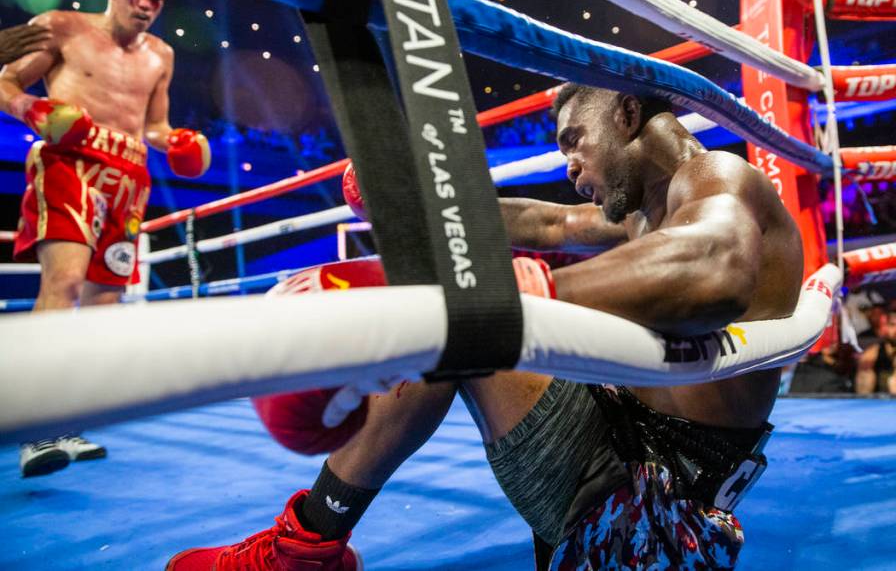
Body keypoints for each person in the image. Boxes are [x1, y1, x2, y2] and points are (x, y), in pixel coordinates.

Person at [168, 84, 804, 570]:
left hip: (649, 508)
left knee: (450, 311)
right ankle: (307, 542)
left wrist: (507, 304)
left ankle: (301, 551)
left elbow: (717, 265)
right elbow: (547, 224)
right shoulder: (648, 212)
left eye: (573, 140)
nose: (569, 167)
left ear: (627, 115)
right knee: (455, 296)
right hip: (626, 459)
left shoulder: (720, 177)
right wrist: (423, 202)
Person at [0, 0, 211, 478]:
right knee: (65, 281)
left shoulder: (161, 54)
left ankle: (72, 420)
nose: (144, 6)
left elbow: (155, 125)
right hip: (70, 164)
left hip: (129, 177)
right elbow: (5, 82)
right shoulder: (61, 26)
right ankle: (35, 425)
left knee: (104, 300)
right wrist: (34, 110)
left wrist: (178, 142)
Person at [856, 302, 896, 394]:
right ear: (885, 327)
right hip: (880, 400)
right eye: (893, 325)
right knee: (865, 371)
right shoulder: (874, 351)